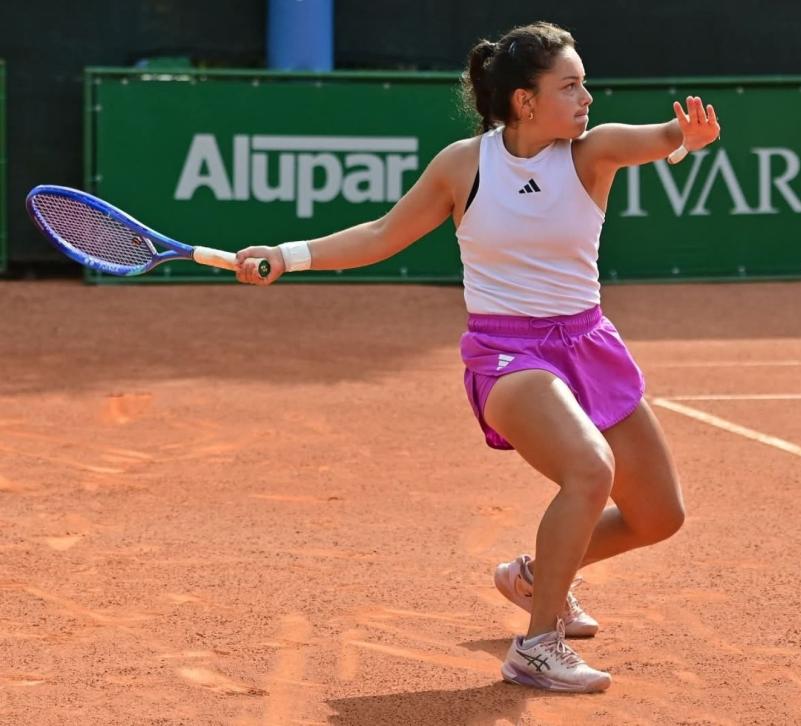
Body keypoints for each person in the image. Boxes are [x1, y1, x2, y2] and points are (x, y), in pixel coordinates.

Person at [235, 20, 720, 693]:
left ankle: (532, 575)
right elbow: (382, 233)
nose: (588, 97)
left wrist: (684, 141)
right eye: (571, 85)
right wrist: (287, 256)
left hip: (587, 344)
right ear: (525, 101)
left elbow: (658, 137)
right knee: (589, 470)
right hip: (507, 353)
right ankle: (539, 645)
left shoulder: (591, 153)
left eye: (585, 83)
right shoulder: (464, 165)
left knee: (659, 516)